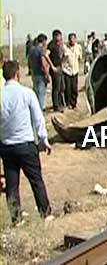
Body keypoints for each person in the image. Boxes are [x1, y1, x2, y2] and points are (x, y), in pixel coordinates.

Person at [0, 61, 52, 224]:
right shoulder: (26, 93)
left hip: (7, 146)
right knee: (36, 180)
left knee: (12, 184)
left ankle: (16, 218)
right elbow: (38, 118)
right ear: (17, 74)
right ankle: (46, 213)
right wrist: (43, 140)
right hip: (25, 144)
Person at [28, 34, 50, 111]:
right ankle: (39, 112)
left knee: (36, 94)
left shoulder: (31, 50)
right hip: (41, 75)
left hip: (34, 74)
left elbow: (29, 61)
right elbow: (43, 63)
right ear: (43, 41)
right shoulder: (40, 50)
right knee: (41, 95)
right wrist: (47, 75)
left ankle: (35, 111)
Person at [62, 33, 82, 109]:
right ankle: (68, 103)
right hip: (67, 70)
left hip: (75, 70)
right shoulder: (65, 48)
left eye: (73, 39)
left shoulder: (78, 47)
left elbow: (80, 58)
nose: (72, 40)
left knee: (74, 88)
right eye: (70, 39)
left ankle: (74, 103)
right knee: (68, 88)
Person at [47, 30, 65, 112]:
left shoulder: (59, 45)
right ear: (55, 36)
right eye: (58, 36)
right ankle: (56, 105)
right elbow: (46, 54)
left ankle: (61, 103)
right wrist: (52, 66)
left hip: (60, 67)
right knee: (56, 88)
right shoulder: (51, 45)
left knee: (62, 87)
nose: (59, 38)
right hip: (55, 69)